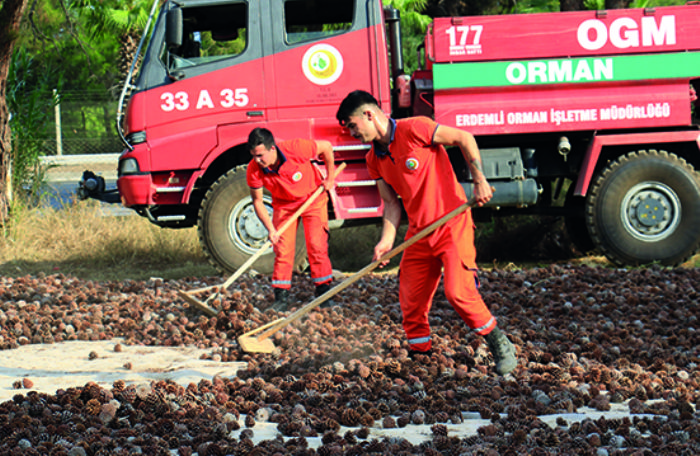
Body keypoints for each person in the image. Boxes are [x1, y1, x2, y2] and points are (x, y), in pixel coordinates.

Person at [335, 90, 517, 375]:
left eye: (353, 127)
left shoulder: (415, 128)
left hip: (451, 224)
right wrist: (386, 241)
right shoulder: (374, 160)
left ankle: (499, 342)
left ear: (369, 115)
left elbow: (463, 138)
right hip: (419, 233)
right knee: (411, 298)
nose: (353, 134)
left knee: (458, 292)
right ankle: (422, 354)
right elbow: (391, 204)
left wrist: (479, 179)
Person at [246, 127, 336, 311]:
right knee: (282, 249)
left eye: (261, 155)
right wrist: (271, 229)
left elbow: (326, 147)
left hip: (313, 199)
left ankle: (324, 293)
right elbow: (257, 202)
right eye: (254, 156)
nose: (257, 160)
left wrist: (330, 177)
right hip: (284, 205)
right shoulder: (254, 169)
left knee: (316, 246)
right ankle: (281, 296)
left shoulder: (296, 148)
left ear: (272, 149)